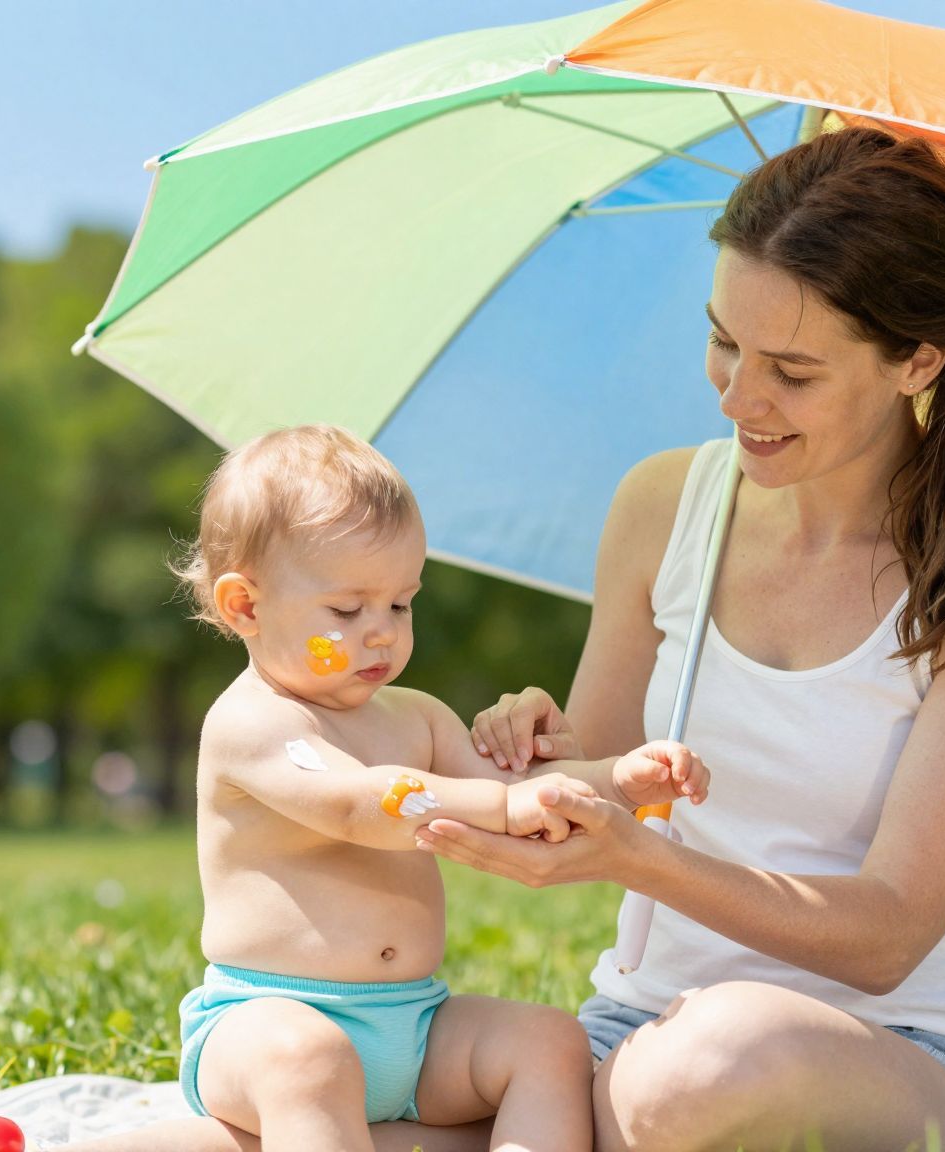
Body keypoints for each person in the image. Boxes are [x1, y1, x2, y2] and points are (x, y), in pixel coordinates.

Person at [426, 123, 945, 1152]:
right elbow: (605, 779)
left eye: (792, 371)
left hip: (896, 1054)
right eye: (723, 341)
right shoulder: (662, 508)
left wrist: (640, 862)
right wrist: (540, 759)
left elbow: (889, 934)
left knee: (702, 1069)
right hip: (641, 1030)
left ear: (916, 360)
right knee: (290, 1106)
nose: (737, 397)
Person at [84, 425, 708, 1152]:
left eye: (401, 604)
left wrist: (615, 779)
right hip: (267, 1024)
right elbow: (360, 803)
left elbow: (523, 788)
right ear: (246, 607)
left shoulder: (417, 718)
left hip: (412, 1022)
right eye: (347, 611)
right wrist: (504, 804)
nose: (381, 632)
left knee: (549, 1040)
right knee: (309, 1065)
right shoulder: (252, 723)